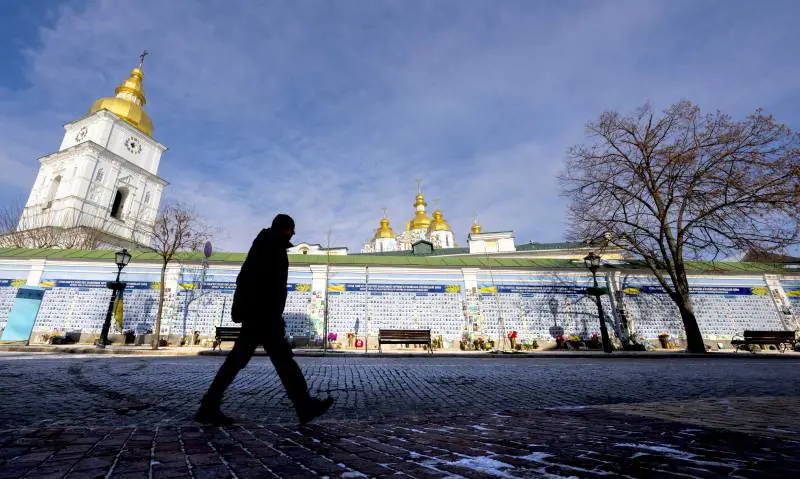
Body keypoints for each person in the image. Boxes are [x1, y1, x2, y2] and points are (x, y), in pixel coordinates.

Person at [196, 214, 333, 426]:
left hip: (260, 315)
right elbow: (262, 283)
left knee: (245, 362)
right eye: (292, 229)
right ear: (284, 229)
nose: (294, 233)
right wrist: (269, 313)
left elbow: (254, 280)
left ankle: (208, 406)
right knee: (281, 361)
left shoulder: (266, 244)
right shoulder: (270, 246)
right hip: (262, 316)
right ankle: (304, 405)